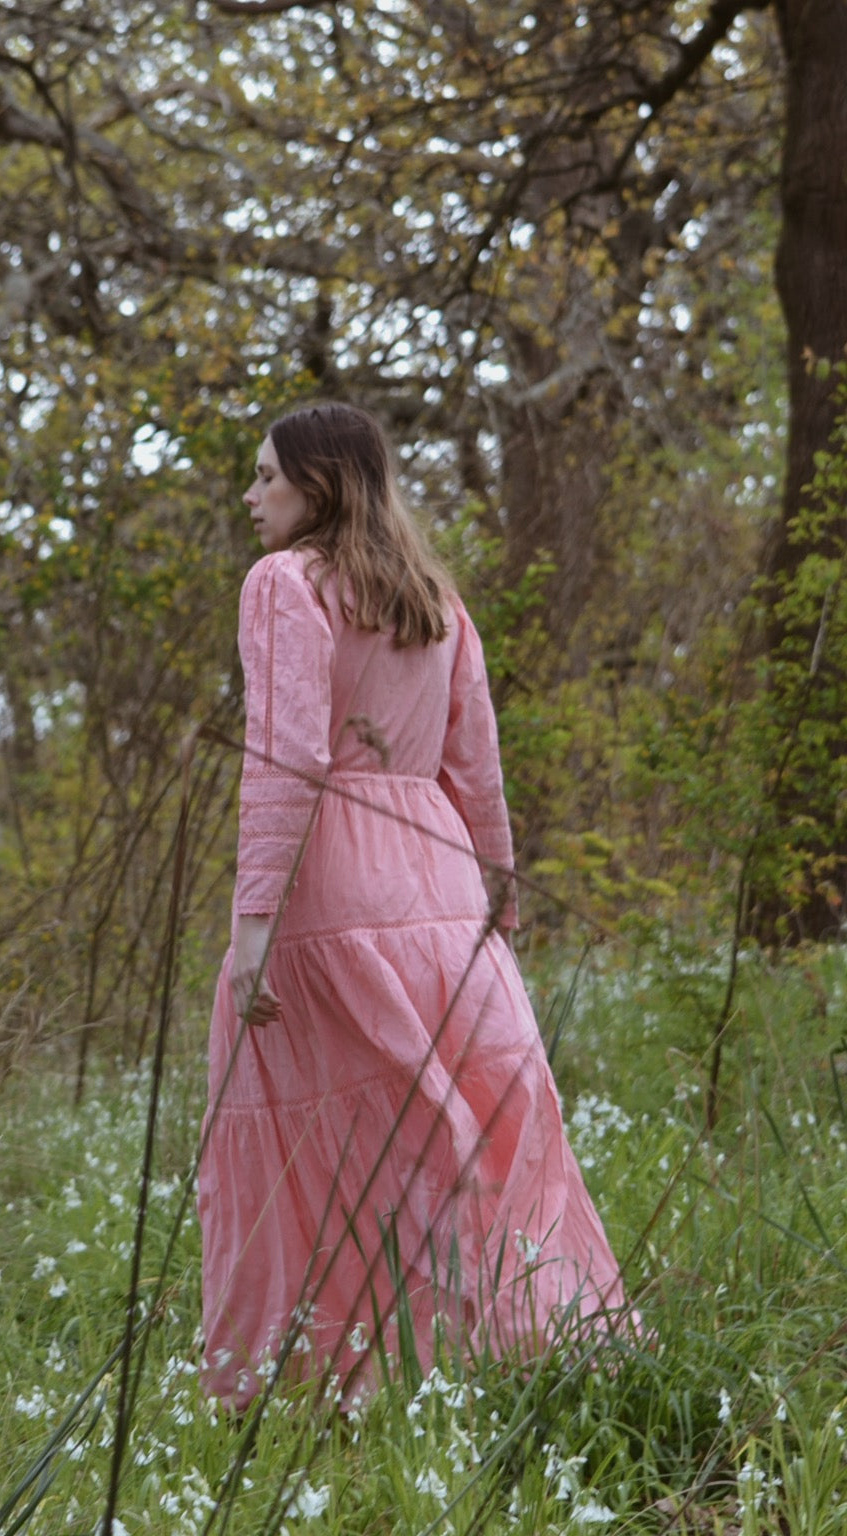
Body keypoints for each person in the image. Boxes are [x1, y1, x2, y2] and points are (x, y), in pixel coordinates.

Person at [197, 402, 633, 1413]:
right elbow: (476, 771)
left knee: (331, 1149)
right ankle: (509, 1353)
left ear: (321, 484)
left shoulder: (282, 586)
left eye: (267, 476)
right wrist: (499, 912)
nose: (251, 495)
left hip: (330, 891)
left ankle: (317, 1382)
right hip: (443, 893)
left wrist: (252, 928)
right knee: (462, 1135)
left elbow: (288, 761)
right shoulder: (435, 599)